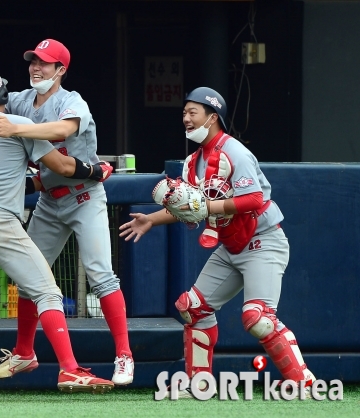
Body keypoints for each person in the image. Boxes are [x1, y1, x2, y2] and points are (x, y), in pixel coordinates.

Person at [0, 39, 134, 386]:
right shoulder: (17, 101)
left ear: (61, 69)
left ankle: (123, 354)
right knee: (32, 281)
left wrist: (17, 128)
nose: (36, 67)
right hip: (48, 196)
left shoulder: (69, 101)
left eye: (45, 63)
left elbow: (63, 130)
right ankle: (24, 352)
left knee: (100, 274)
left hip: (83, 194)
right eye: (33, 61)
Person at [118, 87, 316, 398]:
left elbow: (253, 199)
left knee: (258, 318)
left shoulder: (234, 151)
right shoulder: (191, 162)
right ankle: (200, 385)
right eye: (184, 112)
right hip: (231, 246)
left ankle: (302, 381)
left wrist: (208, 207)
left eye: (192, 112)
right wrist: (152, 219)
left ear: (212, 117)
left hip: (262, 241)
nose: (185, 118)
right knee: (193, 309)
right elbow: (189, 208)